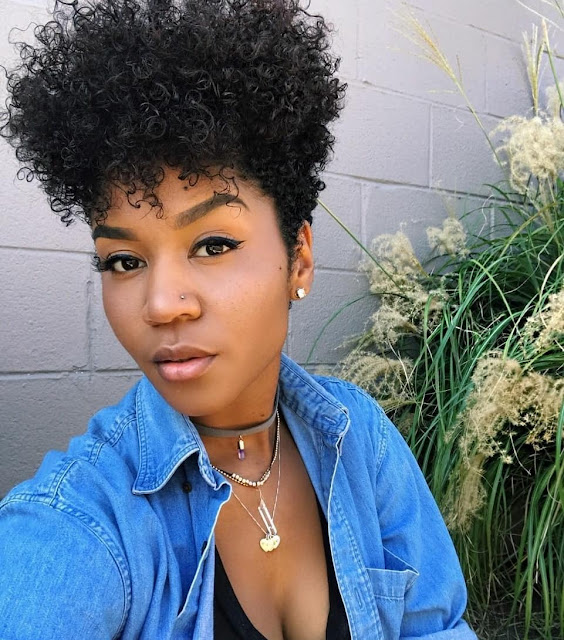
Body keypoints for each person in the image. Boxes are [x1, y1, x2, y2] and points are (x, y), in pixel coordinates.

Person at [0, 1, 477, 638]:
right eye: (123, 261)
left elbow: (436, 626)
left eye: (214, 245)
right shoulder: (78, 520)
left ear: (299, 258)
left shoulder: (357, 438)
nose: (161, 305)